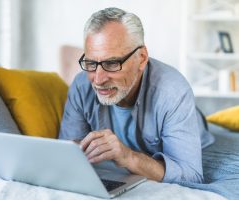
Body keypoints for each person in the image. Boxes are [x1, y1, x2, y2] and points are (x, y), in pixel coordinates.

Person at [59, 7, 214, 183]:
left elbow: (191, 175)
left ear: (141, 58)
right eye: (91, 63)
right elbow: (67, 152)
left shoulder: (173, 92)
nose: (98, 79)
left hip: (193, 126)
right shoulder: (81, 86)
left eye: (111, 63)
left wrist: (128, 156)